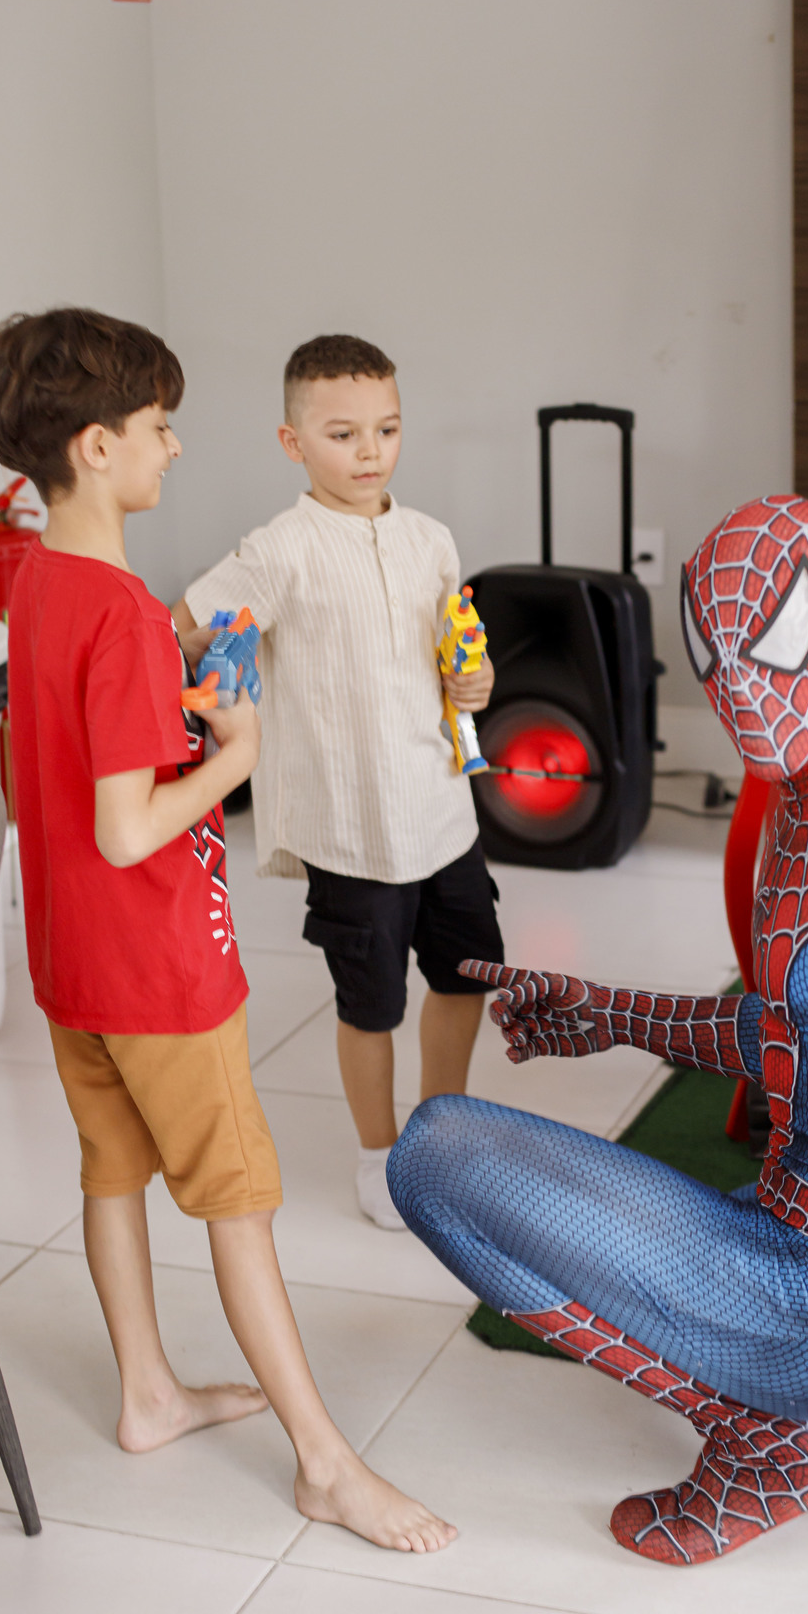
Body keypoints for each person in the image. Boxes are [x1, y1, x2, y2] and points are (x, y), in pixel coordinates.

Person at [387, 495, 808, 1566]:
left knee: (434, 1158)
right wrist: (611, 1014)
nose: (738, 686)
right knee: (467, 1162)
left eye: (775, 642)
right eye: (713, 651)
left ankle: (775, 1442)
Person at [0, 308, 454, 1555]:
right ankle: (326, 1463)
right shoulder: (126, 611)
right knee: (238, 1203)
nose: (173, 446)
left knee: (112, 1171)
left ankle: (147, 1394)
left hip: (70, 962)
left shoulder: (35, 587)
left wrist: (172, 716)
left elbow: (59, 776)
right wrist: (233, 752)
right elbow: (130, 827)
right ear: (95, 447)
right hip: (161, 971)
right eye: (157, 426)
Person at [173, 335, 504, 1231]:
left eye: (387, 430)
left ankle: (442, 1135)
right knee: (371, 1004)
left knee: (465, 976)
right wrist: (212, 660)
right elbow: (183, 623)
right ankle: (378, 1156)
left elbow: (457, 659)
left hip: (443, 814)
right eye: (343, 434)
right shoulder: (279, 550)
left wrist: (475, 682)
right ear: (294, 443)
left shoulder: (431, 540)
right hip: (352, 830)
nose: (370, 452)